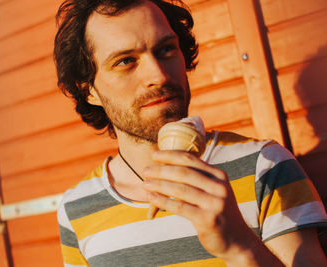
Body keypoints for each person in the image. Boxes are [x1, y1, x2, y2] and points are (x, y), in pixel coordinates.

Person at [53, 0, 327, 266]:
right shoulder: (76, 209)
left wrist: (240, 247)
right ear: (88, 89)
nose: (158, 75)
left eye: (166, 49)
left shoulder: (264, 166)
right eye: (125, 61)